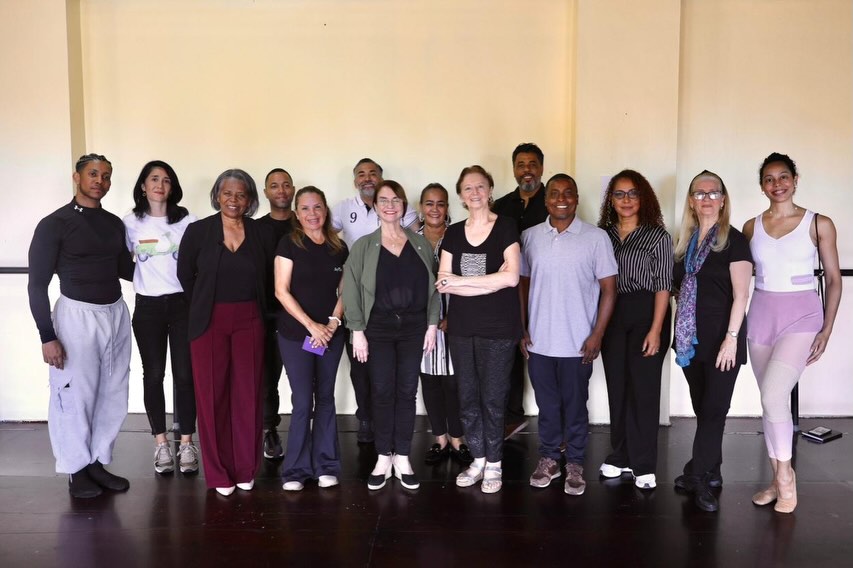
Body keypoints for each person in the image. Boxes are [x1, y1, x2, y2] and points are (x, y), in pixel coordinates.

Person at [27, 153, 134, 498]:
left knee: (112, 391)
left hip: (115, 313)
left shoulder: (114, 223)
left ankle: (97, 462)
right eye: (92, 174)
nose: (99, 181)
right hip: (76, 315)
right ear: (77, 177)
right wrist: (47, 336)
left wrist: (168, 259)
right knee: (75, 394)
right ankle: (76, 468)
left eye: (105, 176)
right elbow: (36, 284)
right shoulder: (54, 223)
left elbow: (127, 270)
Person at [743, 153, 842, 514]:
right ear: (762, 185)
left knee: (772, 395)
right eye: (769, 179)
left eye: (783, 177)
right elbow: (740, 277)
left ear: (795, 179)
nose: (777, 184)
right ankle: (775, 477)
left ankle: (787, 481)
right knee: (771, 403)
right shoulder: (751, 227)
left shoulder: (819, 224)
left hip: (801, 317)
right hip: (761, 317)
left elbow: (833, 280)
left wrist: (827, 328)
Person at [177, 169, 276, 496]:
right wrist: (206, 305)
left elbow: (269, 278)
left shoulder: (260, 233)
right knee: (212, 396)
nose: (234, 200)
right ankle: (219, 473)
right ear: (217, 195)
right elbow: (186, 275)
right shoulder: (198, 231)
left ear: (250, 199)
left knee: (248, 393)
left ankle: (246, 468)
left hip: (250, 318)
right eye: (227, 193)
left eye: (241, 194)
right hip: (209, 321)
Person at [521, 174, 617, 496]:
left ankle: (574, 462)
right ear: (545, 199)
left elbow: (609, 289)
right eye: (554, 193)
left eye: (568, 193)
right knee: (547, 405)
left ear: (576, 198)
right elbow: (522, 285)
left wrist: (597, 334)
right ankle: (549, 457)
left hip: (579, 343)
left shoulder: (595, 238)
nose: (561, 198)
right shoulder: (530, 237)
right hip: (540, 341)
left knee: (576, 406)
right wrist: (521, 327)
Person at [344, 180, 439, 491]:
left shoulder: (420, 243)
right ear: (376, 205)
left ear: (403, 205)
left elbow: (434, 285)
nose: (389, 204)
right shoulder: (362, 246)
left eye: (395, 199)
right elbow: (352, 291)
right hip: (378, 328)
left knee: (407, 392)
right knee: (382, 391)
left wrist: (432, 324)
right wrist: (357, 331)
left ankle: (403, 456)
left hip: (413, 328)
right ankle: (383, 456)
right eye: (383, 199)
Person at [671, 170, 753, 513]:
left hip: (723, 339)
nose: (706, 198)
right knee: (703, 408)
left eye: (713, 192)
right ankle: (712, 470)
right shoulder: (685, 242)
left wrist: (731, 340)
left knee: (715, 410)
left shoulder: (734, 241)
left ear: (723, 199)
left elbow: (741, 295)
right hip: (691, 340)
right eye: (699, 193)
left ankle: (699, 477)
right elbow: (679, 290)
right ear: (691, 200)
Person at [438, 165, 522, 494]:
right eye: (468, 188)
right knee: (468, 398)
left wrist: (462, 282)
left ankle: (495, 464)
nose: (475, 193)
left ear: (490, 190)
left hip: (499, 328)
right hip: (461, 328)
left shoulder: (506, 227)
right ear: (460, 195)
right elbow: (443, 282)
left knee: (493, 398)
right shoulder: (454, 233)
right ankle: (478, 458)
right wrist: (488, 283)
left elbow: (512, 278)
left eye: (481, 186)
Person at [331, 158, 418, 444]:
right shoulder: (343, 208)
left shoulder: (399, 208)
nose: (367, 178)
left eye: (373, 174)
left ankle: (392, 426)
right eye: (361, 174)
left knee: (394, 374)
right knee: (360, 366)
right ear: (355, 180)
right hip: (356, 298)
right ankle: (366, 417)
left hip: (392, 304)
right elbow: (322, 235)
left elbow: (416, 247)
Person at [597, 170, 673, 490]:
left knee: (643, 389)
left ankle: (643, 463)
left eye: (632, 194)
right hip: (612, 314)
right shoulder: (602, 235)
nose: (626, 201)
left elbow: (663, 287)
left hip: (647, 313)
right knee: (618, 386)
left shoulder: (657, 236)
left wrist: (656, 329)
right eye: (619, 194)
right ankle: (620, 455)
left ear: (643, 198)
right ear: (610, 200)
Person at [123, 160, 199, 475]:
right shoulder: (129, 223)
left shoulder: (188, 221)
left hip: (182, 306)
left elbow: (198, 264)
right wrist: (145, 279)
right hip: (148, 307)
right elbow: (122, 263)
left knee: (185, 376)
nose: (160, 184)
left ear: (173, 187)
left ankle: (186, 444)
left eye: (166, 180)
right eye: (154, 179)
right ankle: (161, 444)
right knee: (153, 375)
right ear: (143, 185)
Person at [275, 187, 348, 491]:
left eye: (317, 207)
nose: (312, 214)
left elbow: (345, 290)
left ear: (325, 209)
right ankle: (295, 469)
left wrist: (331, 323)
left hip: (331, 334)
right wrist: (312, 327)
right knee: (303, 400)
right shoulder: (289, 244)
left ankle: (326, 464)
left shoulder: (339, 248)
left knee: (327, 398)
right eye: (304, 209)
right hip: (296, 336)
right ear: (296, 213)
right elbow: (281, 290)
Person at [492, 143, 549, 439]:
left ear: (541, 167)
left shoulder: (554, 202)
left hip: (547, 291)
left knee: (544, 355)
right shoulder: (500, 207)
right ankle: (511, 418)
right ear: (514, 169)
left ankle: (555, 423)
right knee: (509, 354)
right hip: (510, 292)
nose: (527, 170)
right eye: (521, 164)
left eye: (532, 164)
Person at [417, 183, 473, 466]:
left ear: (447, 207)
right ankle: (439, 438)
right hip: (421, 323)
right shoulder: (408, 239)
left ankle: (457, 438)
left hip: (455, 319)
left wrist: (457, 315)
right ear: (421, 207)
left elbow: (470, 278)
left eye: (440, 204)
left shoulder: (459, 236)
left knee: (454, 382)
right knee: (429, 381)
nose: (435, 209)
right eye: (429, 203)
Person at [257, 167, 295, 460]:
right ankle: (269, 430)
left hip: (302, 316)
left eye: (285, 185)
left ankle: (306, 431)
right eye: (274, 185)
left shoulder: (306, 222)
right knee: (267, 377)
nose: (281, 190)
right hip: (265, 315)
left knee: (304, 377)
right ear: (266, 191)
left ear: (292, 189)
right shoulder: (255, 229)